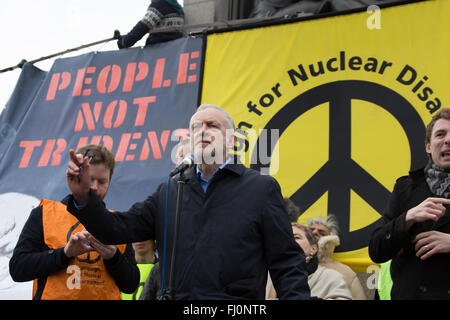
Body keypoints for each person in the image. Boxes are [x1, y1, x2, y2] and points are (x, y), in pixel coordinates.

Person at [65, 104, 311, 300]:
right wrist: (84, 196)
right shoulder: (171, 190)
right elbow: (115, 228)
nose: (202, 130)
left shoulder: (260, 188)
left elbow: (286, 262)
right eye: (195, 127)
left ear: (232, 140)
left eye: (212, 125)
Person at [9, 144, 140, 300]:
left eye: (102, 181)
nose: (95, 187)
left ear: (110, 181)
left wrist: (113, 257)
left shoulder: (116, 222)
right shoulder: (44, 214)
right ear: (76, 177)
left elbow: (131, 285)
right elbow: (18, 269)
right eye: (90, 179)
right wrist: (65, 253)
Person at [369, 108, 450, 299]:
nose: (447, 140)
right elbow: (376, 250)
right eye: (440, 134)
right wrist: (408, 218)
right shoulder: (406, 188)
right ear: (428, 146)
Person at [268, 223, 353, 300]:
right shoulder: (266, 276)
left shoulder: (331, 278)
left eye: (296, 237)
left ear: (313, 249)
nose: (289, 242)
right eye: (285, 238)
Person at [307, 215, 367, 300]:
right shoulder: (289, 264)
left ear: (331, 239)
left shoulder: (345, 272)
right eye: (311, 230)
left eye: (322, 233)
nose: (314, 232)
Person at [117, 0, 185, 49]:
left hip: (158, 51)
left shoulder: (160, 4)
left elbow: (143, 26)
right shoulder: (177, 8)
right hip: (175, 51)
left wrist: (124, 42)